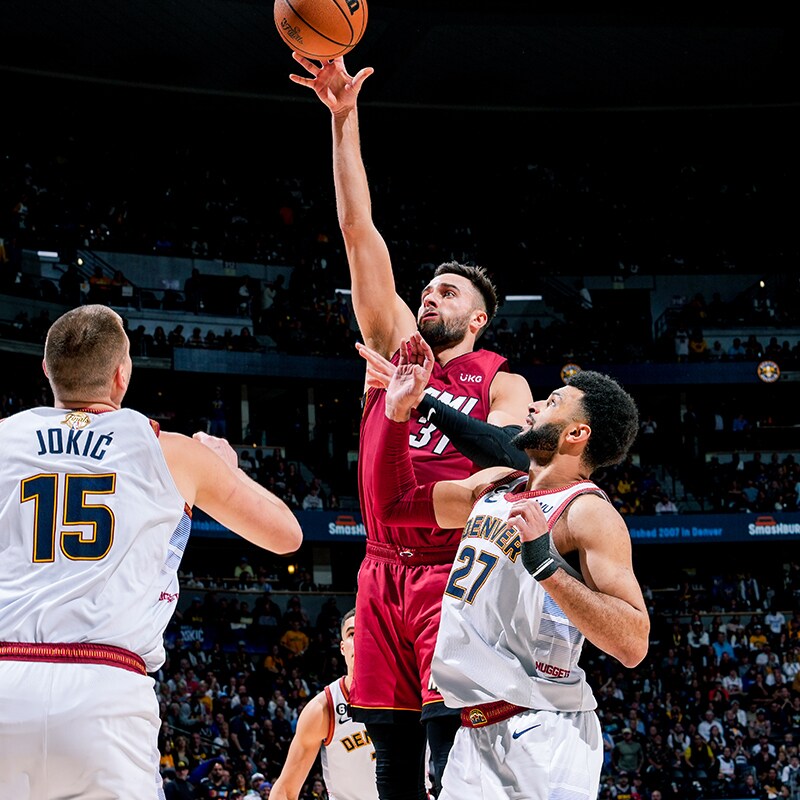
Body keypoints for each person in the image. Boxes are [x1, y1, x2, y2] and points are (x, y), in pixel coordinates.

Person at [290, 54, 533, 800]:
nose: (430, 293)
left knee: (448, 750)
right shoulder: (398, 345)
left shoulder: (503, 377)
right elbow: (358, 230)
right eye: (427, 286)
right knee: (389, 747)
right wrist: (342, 120)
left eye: (448, 290)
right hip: (379, 565)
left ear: (479, 316)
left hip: (452, 568)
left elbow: (507, 465)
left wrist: (437, 480)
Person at [0, 304, 303, 799]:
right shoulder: (169, 449)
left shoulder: (3, 437)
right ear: (122, 375)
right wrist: (228, 466)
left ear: (47, 370)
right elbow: (286, 535)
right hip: (106, 691)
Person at [358, 332, 650, 799]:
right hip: (472, 731)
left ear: (577, 433)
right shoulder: (496, 484)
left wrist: (545, 565)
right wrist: (397, 414)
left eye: (552, 402)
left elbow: (633, 642)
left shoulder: (587, 511)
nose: (533, 405)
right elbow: (393, 506)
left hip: (542, 731)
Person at [270, 608, 377, 800]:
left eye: (366, 632)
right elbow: (285, 791)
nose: (359, 640)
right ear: (343, 648)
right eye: (352, 634)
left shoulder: (413, 694)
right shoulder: (323, 708)